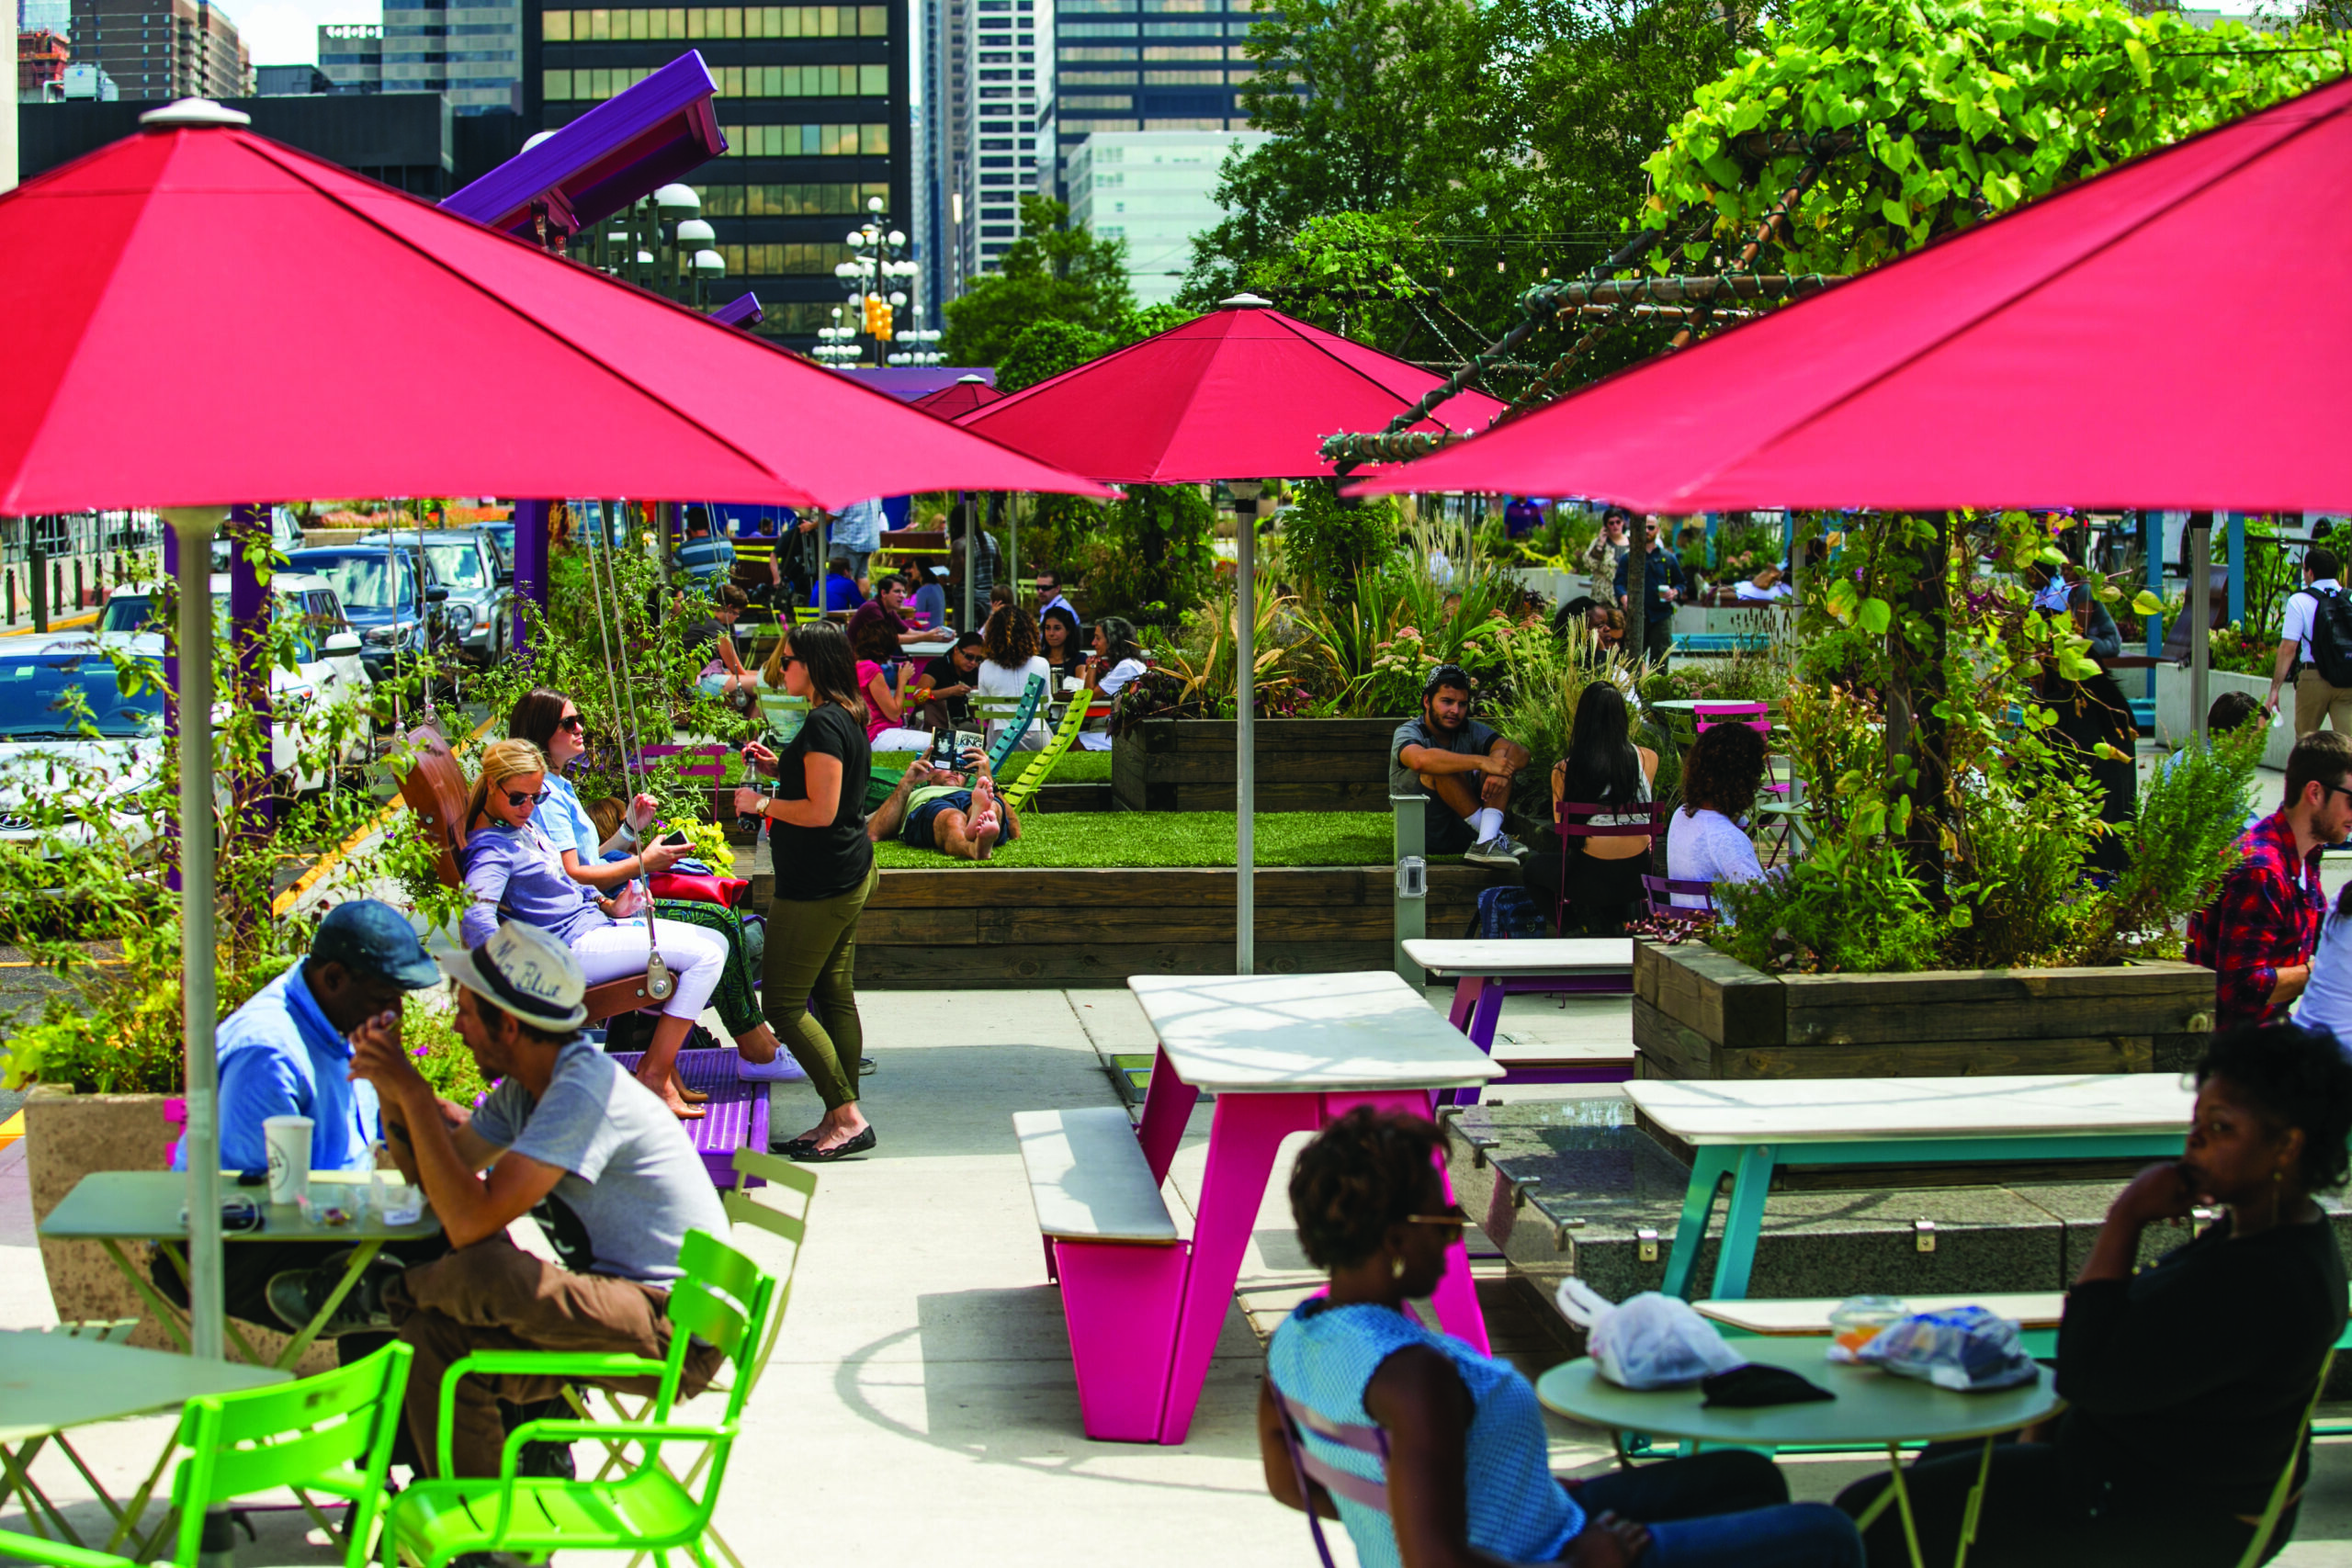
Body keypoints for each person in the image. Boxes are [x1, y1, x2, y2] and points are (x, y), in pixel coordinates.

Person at [1836, 1021, 2352, 1567]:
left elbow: (2089, 1373)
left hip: (2162, 1509)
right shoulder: (2265, 1230)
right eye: (2196, 1122)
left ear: (2287, 1145)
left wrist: (2125, 1217)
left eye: (2220, 1128)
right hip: (2136, 1465)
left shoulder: (2262, 1278)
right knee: (1944, 1458)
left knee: (1868, 1514)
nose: (2194, 1141)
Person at [1264, 1108, 1865, 1568]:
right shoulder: (1411, 1375)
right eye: (1445, 1219)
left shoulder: (1294, 1340)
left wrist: (1496, 1490)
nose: (1454, 1235)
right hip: (1552, 1554)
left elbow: (1291, 1483)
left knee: (1746, 1478)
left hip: (1538, 1517)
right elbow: (1437, 1562)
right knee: (1829, 1533)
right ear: (1393, 1237)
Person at [348, 920, 729, 1479]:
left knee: (487, 1267)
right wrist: (393, 1092)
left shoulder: (579, 1092)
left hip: (676, 1325)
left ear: (507, 1025)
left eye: (465, 1013)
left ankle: (381, 1295)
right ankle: (478, 1537)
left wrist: (411, 1091)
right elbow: (436, 1180)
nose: (456, 1028)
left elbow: (470, 1220)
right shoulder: (529, 1089)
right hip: (621, 1297)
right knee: (436, 1334)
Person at [160, 899, 449, 1337]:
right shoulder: (269, 1051)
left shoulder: (349, 1020)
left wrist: (400, 1087)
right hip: (239, 1249)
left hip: (332, 1223)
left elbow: (397, 1139)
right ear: (334, 978)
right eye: (384, 996)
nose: (396, 1012)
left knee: (464, 1252)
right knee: (397, 1290)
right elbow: (255, 1196)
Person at [506, 689, 785, 1090]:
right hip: (588, 924)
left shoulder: (558, 788)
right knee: (717, 922)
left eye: (577, 718)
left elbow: (581, 862)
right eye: (569, 723)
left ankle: (753, 1044)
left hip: (600, 911)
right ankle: (753, 1048)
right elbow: (574, 873)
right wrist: (643, 863)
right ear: (541, 731)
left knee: (720, 921)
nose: (580, 728)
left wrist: (628, 831)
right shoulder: (544, 798)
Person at [460, 739, 742, 1120]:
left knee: (713, 940)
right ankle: (655, 1074)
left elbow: (566, 881)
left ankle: (663, 1068)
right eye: (518, 799)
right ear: (491, 785)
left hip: (591, 927)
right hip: (570, 948)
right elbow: (476, 916)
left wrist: (610, 904)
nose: (528, 808)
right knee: (706, 955)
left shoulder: (518, 827)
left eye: (537, 798)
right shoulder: (491, 850)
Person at [735, 622, 877, 1161]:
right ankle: (837, 1115)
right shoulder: (845, 715)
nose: (780, 669)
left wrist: (762, 804)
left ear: (814, 665)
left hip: (819, 884)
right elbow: (826, 788)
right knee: (835, 994)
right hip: (845, 874)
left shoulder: (821, 723)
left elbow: (821, 811)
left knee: (783, 1002)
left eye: (789, 660)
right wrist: (781, 769)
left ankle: (846, 1116)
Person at [2188, 729, 2352, 1032]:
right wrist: (2321, 971)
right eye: (2351, 800)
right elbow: (2239, 989)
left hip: (2270, 1037)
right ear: (2315, 793)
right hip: (2236, 1054)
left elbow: (2319, 933)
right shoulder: (2262, 871)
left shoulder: (2303, 855)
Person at [1390, 665, 1532, 868]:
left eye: (1462, 704)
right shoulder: (1409, 731)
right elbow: (1419, 760)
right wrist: (1482, 761)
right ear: (1427, 701)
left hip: (1466, 834)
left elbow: (1521, 753)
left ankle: (1486, 841)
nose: (1455, 711)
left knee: (1502, 760)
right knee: (1438, 766)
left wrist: (1499, 768)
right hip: (1422, 835)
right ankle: (1493, 836)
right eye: (1447, 702)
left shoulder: (1470, 729)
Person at [1550, 683, 1659, 934]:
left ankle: (1574, 929)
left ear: (1583, 719)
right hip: (1638, 872)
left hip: (1589, 874)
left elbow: (1561, 830)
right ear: (1622, 716)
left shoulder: (1564, 769)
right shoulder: (1647, 758)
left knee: (1533, 872)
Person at [1666, 720, 1767, 909]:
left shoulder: (1680, 816)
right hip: (1721, 935)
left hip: (1684, 929)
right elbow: (1761, 901)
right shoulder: (1726, 838)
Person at [868, 745, 1019, 861]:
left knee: (992, 808)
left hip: (969, 797)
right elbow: (874, 834)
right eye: (947, 766)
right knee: (952, 817)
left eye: (961, 769)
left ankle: (977, 824)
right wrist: (907, 783)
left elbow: (1015, 832)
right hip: (929, 803)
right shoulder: (917, 793)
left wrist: (991, 781)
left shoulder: (979, 790)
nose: (956, 772)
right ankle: (973, 845)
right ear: (930, 771)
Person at [2266, 546, 2352, 736]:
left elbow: (2289, 649)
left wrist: (2275, 690)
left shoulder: (2299, 601)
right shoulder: (2350, 597)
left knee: (2306, 742)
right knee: (2348, 745)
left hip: (2313, 677)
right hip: (2347, 679)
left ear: (2310, 572)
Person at [977, 604, 1051, 751]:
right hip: (1037, 737)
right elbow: (1046, 704)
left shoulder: (985, 666)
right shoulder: (1041, 664)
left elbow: (985, 710)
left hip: (1000, 740)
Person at [1615, 513, 1685, 664]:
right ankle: (1634, 687)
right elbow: (1618, 583)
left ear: (1657, 530)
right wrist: (1623, 597)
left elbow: (1681, 582)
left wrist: (1675, 592)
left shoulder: (1668, 557)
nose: (1646, 530)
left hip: (1661, 615)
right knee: (1633, 661)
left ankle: (1657, 687)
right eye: (1643, 527)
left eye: (1651, 527)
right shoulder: (1628, 558)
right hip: (1636, 616)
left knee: (1660, 660)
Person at [1075, 617, 1148, 751]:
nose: (1093, 643)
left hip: (1132, 736)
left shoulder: (1126, 667)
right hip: (1128, 729)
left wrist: (1092, 666)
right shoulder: (1128, 663)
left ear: (1112, 640)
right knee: (1080, 734)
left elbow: (1088, 695)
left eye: (1098, 638)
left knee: (1073, 743)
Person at [685, 583, 758, 705]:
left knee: (758, 676)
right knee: (758, 685)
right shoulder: (719, 631)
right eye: (736, 613)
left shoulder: (700, 616)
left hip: (690, 680)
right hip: (700, 684)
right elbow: (738, 671)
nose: (736, 617)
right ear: (729, 607)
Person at [914, 629, 986, 728]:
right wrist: (951, 691)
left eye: (978, 659)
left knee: (983, 737)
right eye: (969, 656)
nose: (973, 663)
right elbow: (918, 697)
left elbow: (974, 711)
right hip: (935, 723)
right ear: (956, 650)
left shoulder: (973, 671)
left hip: (961, 722)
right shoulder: (938, 665)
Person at [847, 572, 932, 656]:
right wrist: (925, 637)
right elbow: (888, 639)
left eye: (904, 592)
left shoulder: (890, 610)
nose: (902, 596)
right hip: (859, 662)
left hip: (874, 659)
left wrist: (932, 635)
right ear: (883, 593)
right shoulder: (873, 608)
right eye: (897, 591)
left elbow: (907, 632)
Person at [1579, 507, 1633, 608]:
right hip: (1603, 597)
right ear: (1606, 525)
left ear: (1623, 523)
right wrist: (1600, 544)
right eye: (1611, 523)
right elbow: (1589, 564)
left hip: (1625, 597)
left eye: (1618, 522)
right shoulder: (1599, 543)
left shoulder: (1632, 543)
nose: (1615, 526)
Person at [672, 505, 734, 589]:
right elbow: (732, 571)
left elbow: (674, 576)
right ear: (708, 526)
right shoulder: (726, 543)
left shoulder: (684, 549)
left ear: (689, 528)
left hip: (694, 599)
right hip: (722, 598)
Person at [1040, 604, 1085, 683]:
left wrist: (1093, 666)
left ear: (1068, 631)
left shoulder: (1079, 659)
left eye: (1057, 628)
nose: (1051, 633)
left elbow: (1081, 688)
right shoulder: (1039, 660)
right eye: (1047, 628)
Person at [812, 547, 865, 613]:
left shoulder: (819, 582)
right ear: (845, 571)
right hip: (834, 620)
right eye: (850, 570)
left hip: (812, 621)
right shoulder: (848, 583)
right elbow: (861, 606)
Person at [910, 565, 949, 629]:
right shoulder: (938, 587)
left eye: (913, 567)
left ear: (920, 570)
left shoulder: (923, 591)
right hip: (940, 630)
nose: (911, 570)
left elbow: (920, 618)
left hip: (927, 633)